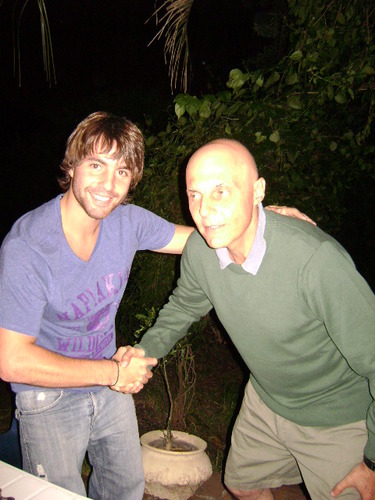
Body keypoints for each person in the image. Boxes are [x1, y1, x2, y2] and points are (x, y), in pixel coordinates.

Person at [0, 112, 311, 499]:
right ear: (73, 164)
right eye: (96, 165)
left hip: (109, 380)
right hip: (49, 393)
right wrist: (113, 373)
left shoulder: (126, 222)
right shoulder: (28, 248)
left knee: (125, 489)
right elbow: (12, 361)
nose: (108, 184)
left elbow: (205, 239)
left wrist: (261, 220)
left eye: (123, 171)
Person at [137, 139, 375, 500]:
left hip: (335, 417)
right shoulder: (202, 252)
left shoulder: (315, 261)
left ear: (257, 191)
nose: (204, 210)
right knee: (241, 484)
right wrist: (145, 352)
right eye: (195, 195)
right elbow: (184, 306)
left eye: (221, 191)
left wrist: (372, 461)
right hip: (266, 401)